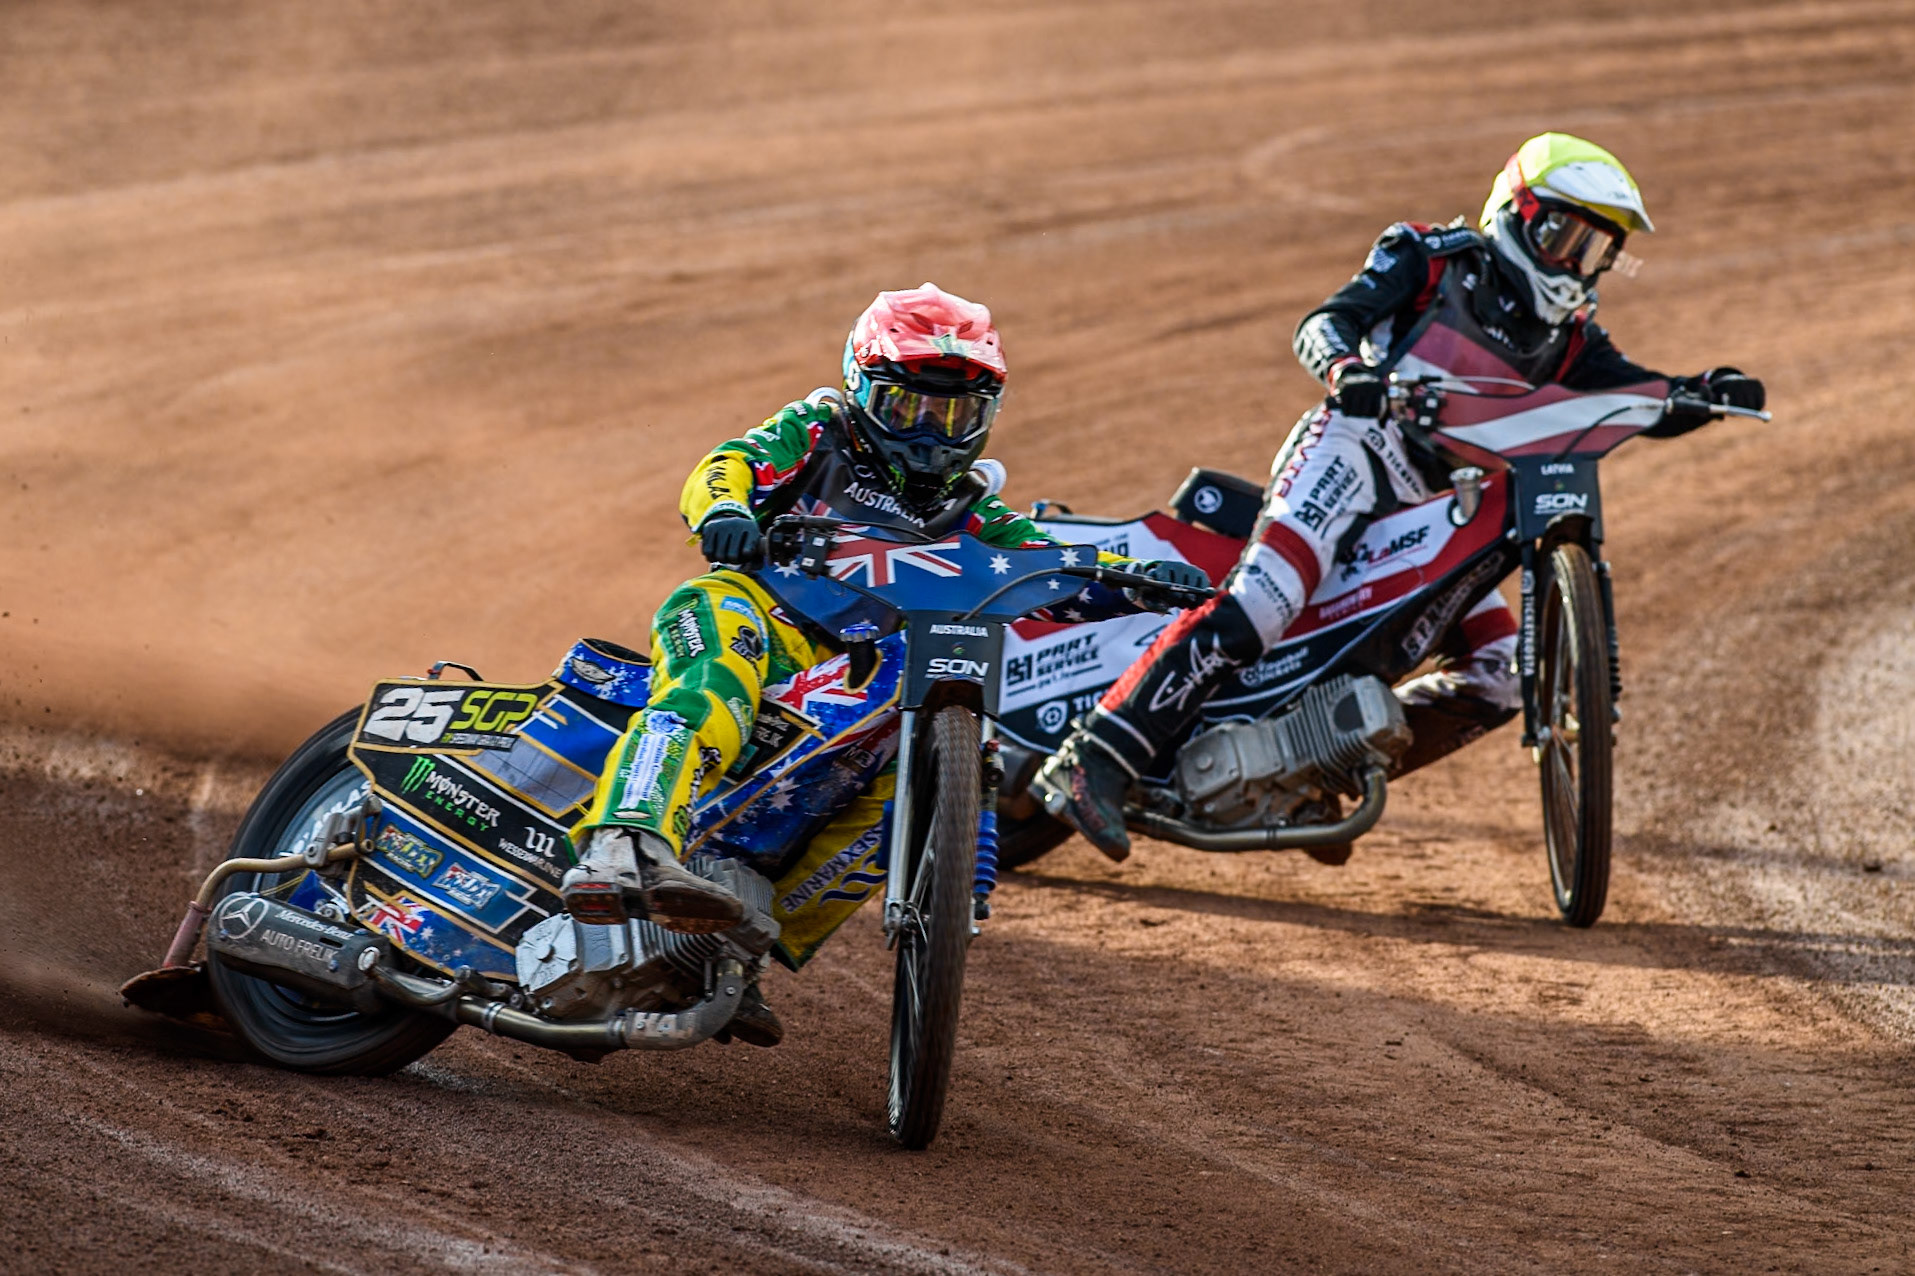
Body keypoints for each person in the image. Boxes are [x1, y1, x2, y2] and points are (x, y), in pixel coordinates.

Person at [1032, 133, 1766, 862]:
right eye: (1564, 237)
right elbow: (1325, 322)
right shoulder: (1430, 258)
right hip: (1353, 451)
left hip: (1434, 508)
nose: (1576, 264)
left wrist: (1704, 392)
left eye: (1596, 250)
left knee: (1501, 674)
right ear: (1517, 213)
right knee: (1261, 603)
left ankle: (1318, 770)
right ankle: (1093, 758)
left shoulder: (1570, 338)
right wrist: (1344, 369)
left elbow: (1638, 394)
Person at [561, 283, 1203, 1042]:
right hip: (751, 610)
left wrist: (1136, 580)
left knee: (903, 791)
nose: (931, 432)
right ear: (862, 387)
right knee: (712, 689)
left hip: (854, 669)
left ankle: (735, 949)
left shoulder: (972, 509)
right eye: (909, 408)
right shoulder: (817, 430)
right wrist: (727, 511)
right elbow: (726, 465)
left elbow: (1046, 566)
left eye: (953, 415)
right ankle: (622, 843)